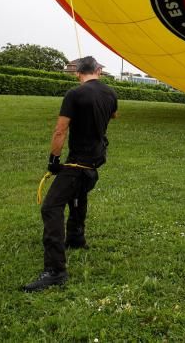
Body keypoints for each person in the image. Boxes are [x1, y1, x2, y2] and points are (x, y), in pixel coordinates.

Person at [23, 56, 118, 292]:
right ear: (98, 70)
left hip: (79, 162)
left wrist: (54, 160)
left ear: (77, 73)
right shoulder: (111, 94)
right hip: (95, 161)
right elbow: (113, 115)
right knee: (78, 194)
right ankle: (76, 238)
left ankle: (55, 271)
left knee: (51, 207)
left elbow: (60, 130)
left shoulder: (74, 94)